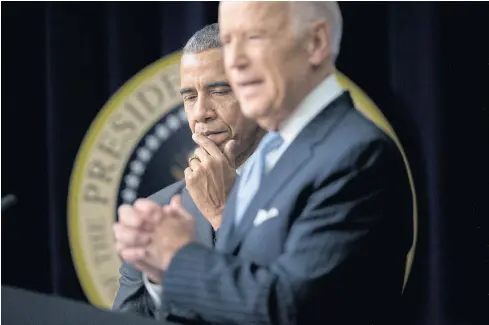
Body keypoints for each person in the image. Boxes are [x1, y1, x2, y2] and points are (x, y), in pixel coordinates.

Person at [113, 2, 414, 325]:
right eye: (229, 42)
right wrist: (161, 278)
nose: (236, 61)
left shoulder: (356, 157)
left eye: (254, 37)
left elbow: (289, 309)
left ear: (316, 43)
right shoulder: (272, 160)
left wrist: (178, 257)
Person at [112, 23, 264, 319]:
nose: (200, 112)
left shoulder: (307, 188)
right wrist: (159, 282)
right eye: (189, 97)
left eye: (219, 91)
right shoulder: (160, 211)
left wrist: (225, 213)